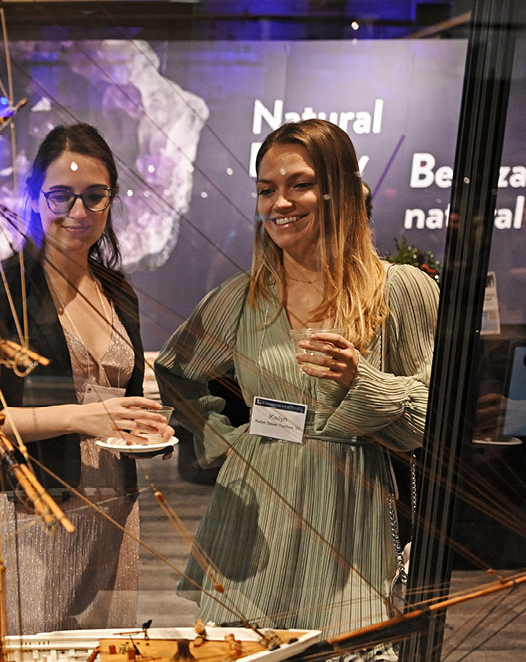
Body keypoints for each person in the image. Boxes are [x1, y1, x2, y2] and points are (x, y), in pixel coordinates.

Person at [154, 118, 437, 634]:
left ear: (340, 191)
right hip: (255, 514)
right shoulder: (240, 297)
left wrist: (362, 382)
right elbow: (177, 373)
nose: (279, 203)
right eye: (267, 190)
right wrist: (227, 440)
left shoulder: (403, 290)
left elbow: (431, 416)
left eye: (299, 184)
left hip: (353, 511)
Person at [0, 123, 172, 633]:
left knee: (105, 659)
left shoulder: (117, 289)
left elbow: (126, 398)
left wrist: (148, 429)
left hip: (116, 502)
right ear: (33, 195)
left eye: (95, 197)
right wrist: (82, 417)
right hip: (39, 506)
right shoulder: (2, 289)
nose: (78, 214)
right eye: (61, 196)